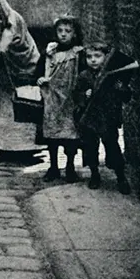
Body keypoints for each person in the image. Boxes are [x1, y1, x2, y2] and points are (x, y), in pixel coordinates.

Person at [73, 42, 132, 194]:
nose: (93, 60)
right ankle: (94, 174)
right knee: (90, 148)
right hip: (89, 118)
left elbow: (126, 96)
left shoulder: (113, 75)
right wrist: (83, 96)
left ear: (105, 58)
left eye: (97, 56)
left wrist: (121, 88)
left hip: (108, 118)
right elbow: (76, 94)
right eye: (89, 57)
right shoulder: (83, 76)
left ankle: (121, 177)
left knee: (112, 147)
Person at [36, 15, 86, 183]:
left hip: (70, 99)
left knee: (70, 135)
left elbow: (85, 75)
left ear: (75, 34)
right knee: (52, 135)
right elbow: (38, 72)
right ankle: (54, 168)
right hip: (52, 99)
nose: (63, 34)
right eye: (60, 31)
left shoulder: (79, 54)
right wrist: (40, 79)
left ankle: (70, 167)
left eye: (68, 31)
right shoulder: (50, 52)